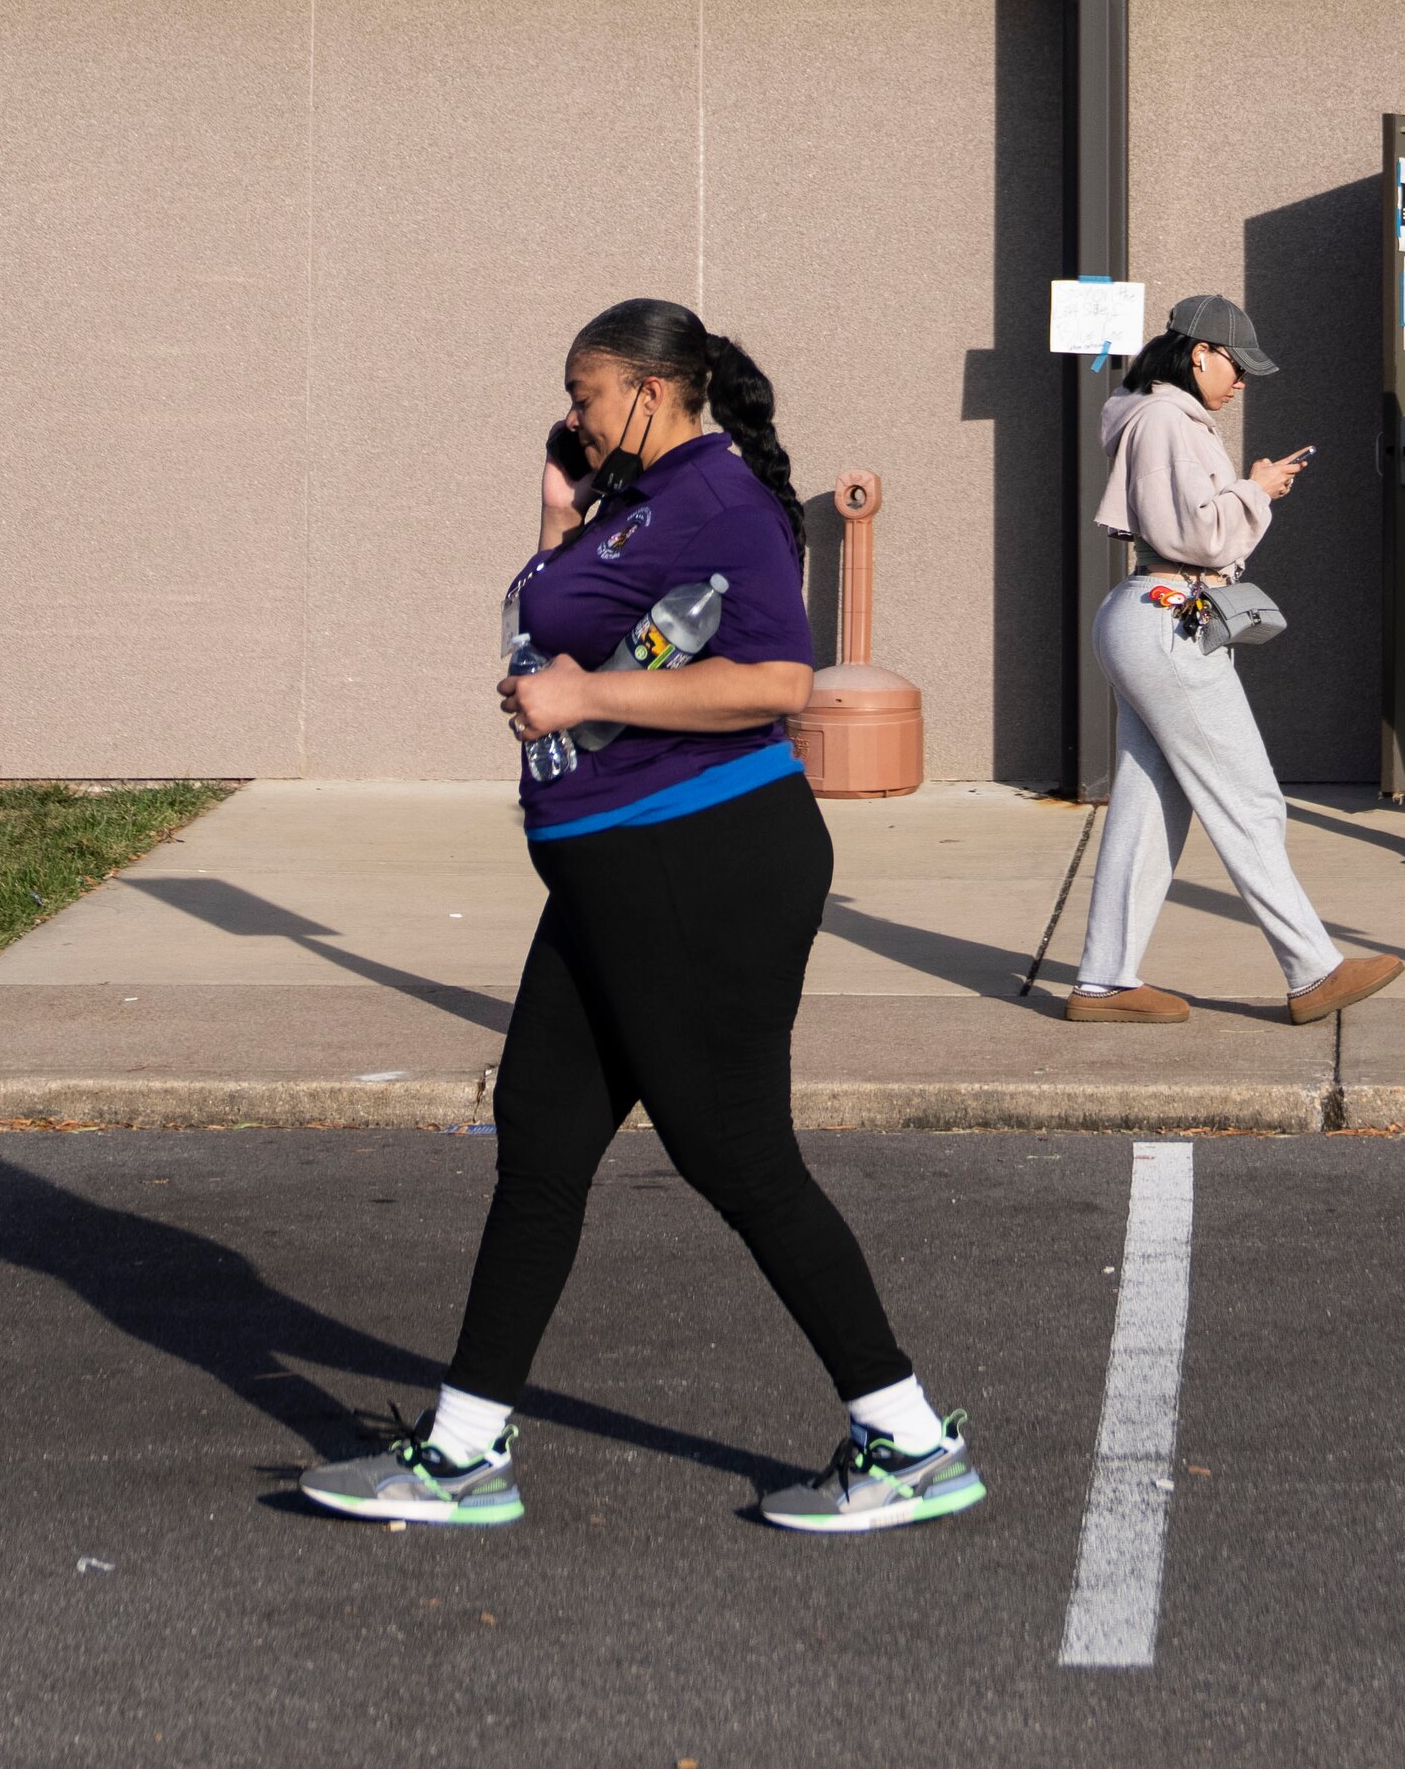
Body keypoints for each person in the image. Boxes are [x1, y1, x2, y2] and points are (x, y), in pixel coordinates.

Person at [302, 298, 985, 1536]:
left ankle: (907, 1440)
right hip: (615, 869)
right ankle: (464, 1451)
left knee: (731, 1148)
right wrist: (560, 518)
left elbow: (779, 677)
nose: (572, 415)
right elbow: (555, 630)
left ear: (655, 391)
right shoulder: (631, 503)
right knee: (543, 1137)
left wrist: (580, 697)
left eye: (586, 393)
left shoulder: (719, 500)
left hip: (700, 859)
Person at [1066, 291, 1405, 1027]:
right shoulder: (1167, 419)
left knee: (1149, 802)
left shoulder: (1158, 416)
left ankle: (1104, 981)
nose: (1244, 379)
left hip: (1147, 611)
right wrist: (1255, 489)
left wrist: (1250, 487)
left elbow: (1193, 527)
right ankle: (1313, 969)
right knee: (1248, 797)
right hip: (1169, 618)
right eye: (1237, 363)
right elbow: (1206, 538)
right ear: (1200, 354)